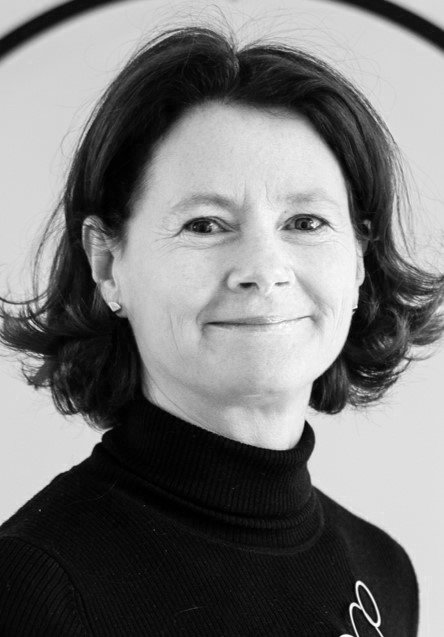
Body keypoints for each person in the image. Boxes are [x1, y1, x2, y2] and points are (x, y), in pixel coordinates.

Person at [0, 22, 442, 636]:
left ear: (359, 259)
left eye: (306, 222)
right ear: (106, 263)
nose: (262, 270)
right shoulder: (33, 587)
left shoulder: (384, 570)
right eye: (205, 225)